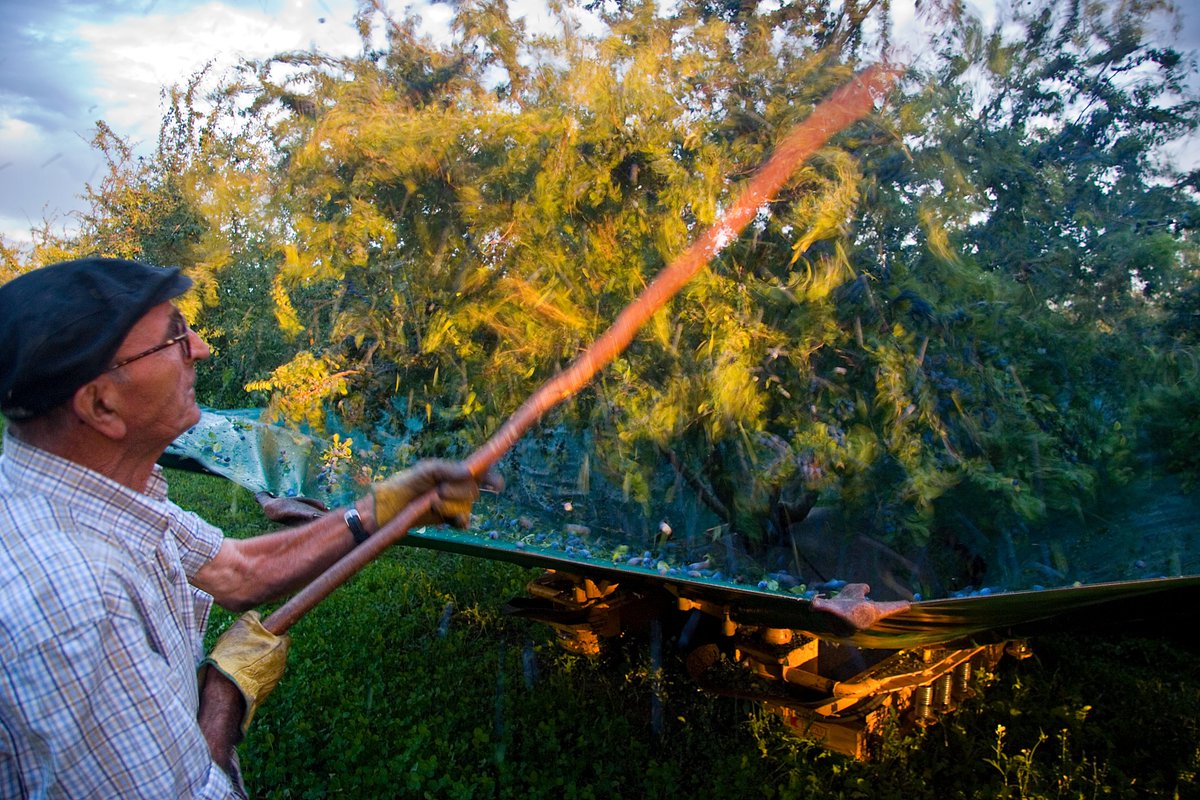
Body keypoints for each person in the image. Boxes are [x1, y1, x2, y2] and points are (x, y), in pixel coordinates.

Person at [0, 257, 494, 798]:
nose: (202, 349)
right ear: (101, 405)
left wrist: (379, 509)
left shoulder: (90, 490)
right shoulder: (73, 602)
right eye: (174, 339)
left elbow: (237, 571)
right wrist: (221, 697)